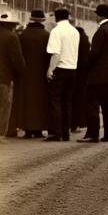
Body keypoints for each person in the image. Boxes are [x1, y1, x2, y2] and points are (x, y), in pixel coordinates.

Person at [81, 4, 108, 142]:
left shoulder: (101, 32)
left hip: (97, 75)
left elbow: (94, 54)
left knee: (92, 104)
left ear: (99, 15)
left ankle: (93, 134)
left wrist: (85, 67)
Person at [45, 8, 79, 141]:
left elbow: (56, 53)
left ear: (56, 18)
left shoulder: (56, 31)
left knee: (55, 100)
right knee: (67, 102)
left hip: (60, 68)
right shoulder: (75, 31)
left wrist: (50, 70)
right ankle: (65, 132)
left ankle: (55, 132)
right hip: (72, 69)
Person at [15, 9, 50, 137]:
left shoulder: (22, 35)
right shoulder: (47, 35)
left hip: (25, 74)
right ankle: (39, 129)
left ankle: (27, 129)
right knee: (40, 101)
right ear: (42, 21)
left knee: (26, 100)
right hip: (41, 74)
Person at [0, 9, 25, 142]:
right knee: (4, 107)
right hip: (4, 78)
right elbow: (18, 61)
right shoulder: (12, 37)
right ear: (10, 24)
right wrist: (22, 72)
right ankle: (0, 134)